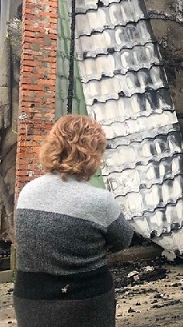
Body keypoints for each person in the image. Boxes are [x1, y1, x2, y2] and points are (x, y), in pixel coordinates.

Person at [13, 115, 134, 327]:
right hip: (84, 303)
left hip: (30, 302)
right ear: (92, 154)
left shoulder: (27, 192)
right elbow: (124, 239)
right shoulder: (99, 200)